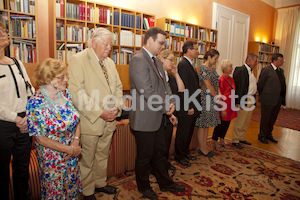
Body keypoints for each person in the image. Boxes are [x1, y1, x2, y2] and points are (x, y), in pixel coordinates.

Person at [129, 27, 185, 200]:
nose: (163, 46)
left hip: (159, 115)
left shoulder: (157, 61)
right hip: (144, 118)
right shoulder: (138, 60)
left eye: (164, 43)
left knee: (160, 153)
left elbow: (165, 86)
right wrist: (165, 107)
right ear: (150, 40)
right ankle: (143, 187)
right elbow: (147, 91)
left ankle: (165, 183)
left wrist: (172, 103)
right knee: (145, 156)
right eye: (161, 42)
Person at [68, 27, 123, 200]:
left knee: (102, 155)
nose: (109, 48)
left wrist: (117, 108)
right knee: (87, 159)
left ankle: (100, 182)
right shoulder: (78, 59)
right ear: (93, 41)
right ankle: (88, 190)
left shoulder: (110, 63)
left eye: (111, 45)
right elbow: (77, 93)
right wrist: (100, 113)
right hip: (91, 120)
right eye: (106, 44)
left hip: (110, 119)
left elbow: (118, 88)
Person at [26, 58, 82, 199]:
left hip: (72, 156)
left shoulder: (66, 94)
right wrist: (69, 150)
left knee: (71, 191)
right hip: (52, 160)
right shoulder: (35, 102)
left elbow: (77, 119)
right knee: (56, 194)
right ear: (47, 79)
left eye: (66, 75)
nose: (66, 79)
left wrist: (75, 141)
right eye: (61, 77)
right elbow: (40, 138)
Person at [0, 21, 34, 200]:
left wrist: (28, 116)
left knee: (22, 170)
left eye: (3, 30)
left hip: (25, 124)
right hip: (3, 125)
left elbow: (30, 91)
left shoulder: (17, 63)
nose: (3, 33)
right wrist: (16, 118)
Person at [174, 40, 201, 166]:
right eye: (195, 49)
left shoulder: (190, 64)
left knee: (189, 132)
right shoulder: (183, 65)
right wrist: (188, 106)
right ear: (188, 50)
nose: (197, 51)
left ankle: (185, 153)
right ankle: (179, 156)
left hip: (193, 104)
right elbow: (183, 88)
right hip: (187, 105)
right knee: (183, 132)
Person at [158, 49, 185, 170]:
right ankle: (158, 166)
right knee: (161, 143)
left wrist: (176, 73)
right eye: (171, 60)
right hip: (162, 112)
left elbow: (181, 89)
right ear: (162, 59)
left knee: (168, 140)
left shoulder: (169, 76)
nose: (173, 63)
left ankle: (164, 162)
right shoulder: (158, 75)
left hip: (171, 112)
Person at [195, 49, 220, 158]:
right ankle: (202, 148)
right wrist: (217, 96)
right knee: (203, 123)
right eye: (215, 58)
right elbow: (208, 85)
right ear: (209, 57)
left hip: (212, 97)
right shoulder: (203, 68)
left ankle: (204, 146)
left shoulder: (212, 68)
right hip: (206, 97)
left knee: (207, 124)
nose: (216, 61)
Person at [257, 53, 286, 144]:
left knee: (273, 118)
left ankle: (268, 134)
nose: (282, 62)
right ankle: (262, 136)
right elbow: (260, 85)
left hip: (278, 99)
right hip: (267, 99)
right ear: (275, 60)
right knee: (266, 118)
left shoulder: (281, 71)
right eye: (281, 60)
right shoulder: (266, 70)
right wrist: (264, 95)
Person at [232, 53, 258, 149]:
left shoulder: (251, 71)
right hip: (244, 99)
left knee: (246, 121)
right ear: (249, 60)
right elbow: (238, 88)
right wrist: (240, 101)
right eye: (255, 61)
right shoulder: (240, 70)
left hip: (251, 98)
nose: (256, 63)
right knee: (240, 120)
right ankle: (235, 140)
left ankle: (241, 137)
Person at [212, 60, 237, 150]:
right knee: (220, 124)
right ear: (225, 69)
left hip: (231, 105)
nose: (231, 69)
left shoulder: (231, 79)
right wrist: (223, 108)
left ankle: (222, 139)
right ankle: (215, 141)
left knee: (227, 124)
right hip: (224, 105)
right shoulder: (221, 80)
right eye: (230, 67)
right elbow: (220, 95)